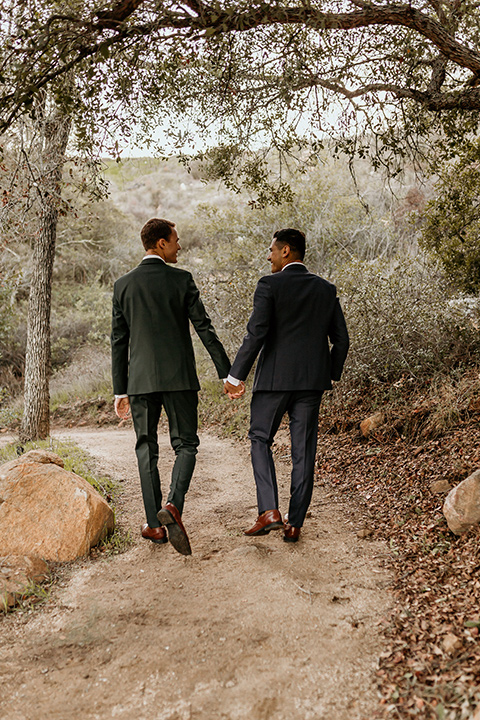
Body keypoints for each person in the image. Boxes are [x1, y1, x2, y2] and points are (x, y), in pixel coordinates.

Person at [111, 218, 231, 555]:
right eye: (176, 240)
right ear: (161, 243)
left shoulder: (123, 286)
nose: (180, 245)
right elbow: (203, 328)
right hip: (179, 378)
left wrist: (120, 390)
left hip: (140, 381)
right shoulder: (181, 280)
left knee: (146, 447)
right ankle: (174, 505)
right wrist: (227, 373)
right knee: (186, 444)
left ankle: (154, 525)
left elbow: (118, 342)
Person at [224, 228, 349, 543]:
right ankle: (295, 525)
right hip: (312, 384)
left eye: (271, 250)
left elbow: (257, 333)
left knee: (259, 439)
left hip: (274, 382)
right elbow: (342, 340)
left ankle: (269, 511)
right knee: (304, 451)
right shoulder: (326, 289)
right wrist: (328, 373)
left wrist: (235, 375)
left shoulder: (270, 285)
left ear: (286, 251)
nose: (268, 256)